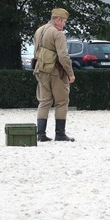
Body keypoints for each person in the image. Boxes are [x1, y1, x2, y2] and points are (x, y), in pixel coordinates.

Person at [33, 8, 76, 142]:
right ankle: (60, 134)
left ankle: (41, 134)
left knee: (44, 102)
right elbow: (63, 56)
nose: (64, 25)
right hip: (56, 71)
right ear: (58, 20)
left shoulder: (39, 31)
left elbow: (36, 52)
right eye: (64, 22)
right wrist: (70, 73)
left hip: (41, 69)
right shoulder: (58, 34)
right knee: (62, 102)